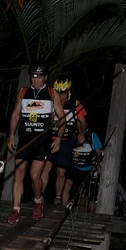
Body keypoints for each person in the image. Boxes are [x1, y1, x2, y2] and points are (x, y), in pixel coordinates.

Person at [6, 63, 65, 224]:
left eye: (39, 76)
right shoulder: (23, 92)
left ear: (45, 77)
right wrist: (11, 135)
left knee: (34, 176)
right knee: (18, 174)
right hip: (25, 139)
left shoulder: (53, 93)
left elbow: (62, 117)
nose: (36, 79)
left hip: (42, 141)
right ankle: (16, 210)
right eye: (33, 76)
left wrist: (58, 138)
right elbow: (16, 114)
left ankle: (38, 201)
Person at [40, 78, 87, 207]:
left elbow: (83, 122)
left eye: (64, 92)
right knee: (45, 167)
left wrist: (82, 133)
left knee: (61, 172)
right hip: (50, 139)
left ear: (69, 92)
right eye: (58, 92)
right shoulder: (50, 102)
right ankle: (40, 196)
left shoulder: (75, 104)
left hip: (66, 141)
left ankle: (58, 197)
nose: (61, 96)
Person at [71, 129, 103, 212]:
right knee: (80, 192)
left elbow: (99, 152)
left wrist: (99, 165)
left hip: (92, 170)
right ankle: (79, 211)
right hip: (77, 170)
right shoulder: (73, 133)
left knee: (92, 194)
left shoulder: (91, 135)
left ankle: (91, 215)